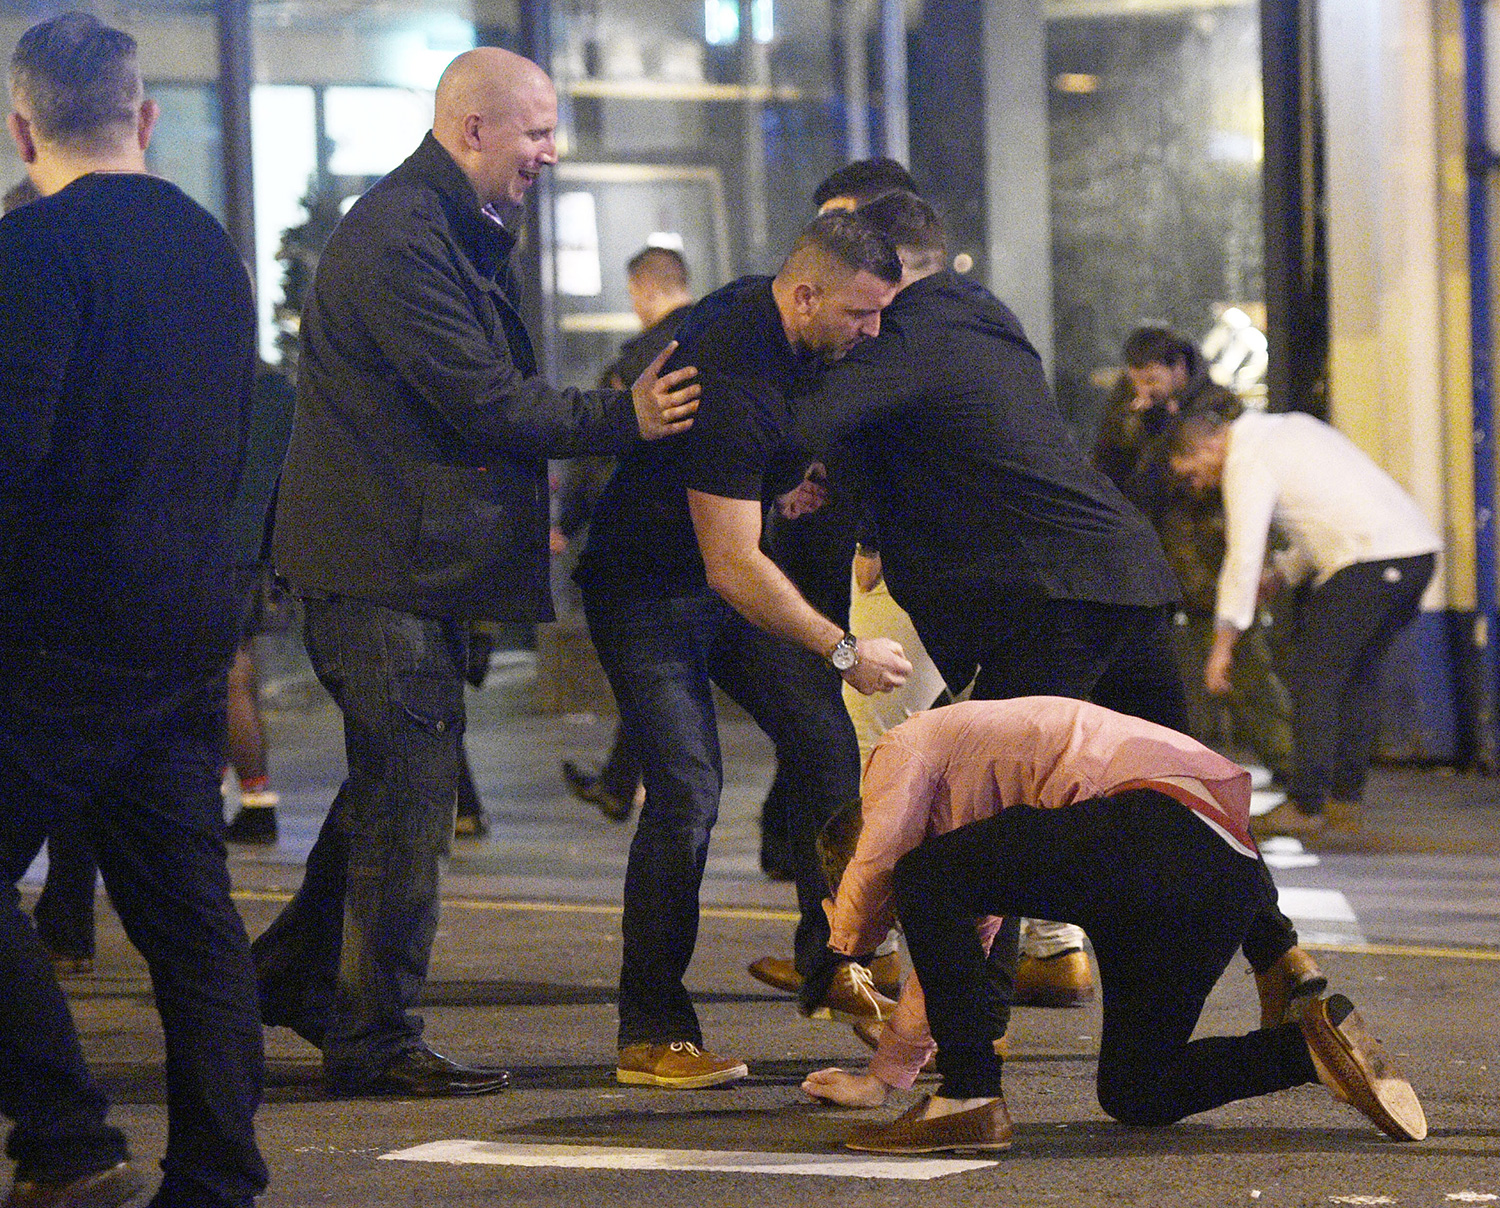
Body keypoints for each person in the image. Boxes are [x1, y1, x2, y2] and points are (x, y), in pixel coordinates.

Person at [253, 46, 700, 1100]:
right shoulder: (405, 239)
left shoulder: (446, 226)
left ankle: (290, 973)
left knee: (388, 789)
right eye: (537, 132)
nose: (550, 153)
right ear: (473, 129)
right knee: (407, 802)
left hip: (406, 565)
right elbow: (484, 399)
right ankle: (374, 1037)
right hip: (381, 569)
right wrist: (620, 416)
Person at [790, 192, 1207, 1035]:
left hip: (1048, 601)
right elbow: (939, 435)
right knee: (1181, 801)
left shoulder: (907, 330)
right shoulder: (986, 316)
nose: (860, 319)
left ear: (895, 272)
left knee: (976, 823)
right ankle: (1281, 967)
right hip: (1125, 579)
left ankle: (965, 1047)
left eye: (866, 292)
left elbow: (806, 418)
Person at [0, 13, 271, 1206]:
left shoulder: (32, 252)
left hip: (56, 631)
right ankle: (217, 1168)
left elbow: (13, 453)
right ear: (143, 113)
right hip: (185, 624)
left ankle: (65, 1136)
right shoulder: (212, 249)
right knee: (188, 911)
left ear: (22, 127)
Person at [575, 210, 912, 1089]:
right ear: (804, 295)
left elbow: (741, 505)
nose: (874, 331)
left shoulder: (782, 325)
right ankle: (651, 1031)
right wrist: (845, 650)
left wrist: (773, 488)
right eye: (861, 314)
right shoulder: (736, 371)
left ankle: (830, 962)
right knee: (687, 792)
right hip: (647, 588)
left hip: (711, 576)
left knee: (826, 747)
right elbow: (731, 566)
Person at [801, 698, 1425, 1156]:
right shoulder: (973, 853)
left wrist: (842, 945)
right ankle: (1307, 1049)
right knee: (1136, 1091)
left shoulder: (902, 752)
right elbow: (952, 969)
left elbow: (883, 863)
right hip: (1225, 870)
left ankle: (966, 1099)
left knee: (919, 874)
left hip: (1158, 823)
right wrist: (887, 1077)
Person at [1168, 408, 1441, 843]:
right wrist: (1283, 576)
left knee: (1313, 674)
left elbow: (1244, 555)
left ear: (1208, 445)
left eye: (1191, 470)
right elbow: (1325, 515)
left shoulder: (1246, 457)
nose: (1195, 482)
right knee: (1355, 677)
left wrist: (1223, 645)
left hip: (1372, 560)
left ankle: (1307, 803)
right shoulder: (1290, 428)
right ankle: (1343, 801)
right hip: (1414, 556)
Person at [1094, 328, 1295, 788]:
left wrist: (1160, 431)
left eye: (1152, 377)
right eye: (1135, 376)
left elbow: (1196, 483)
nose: (1143, 387)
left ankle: (1288, 762)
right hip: (1148, 558)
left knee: (1240, 662)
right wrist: (1133, 425)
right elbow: (1106, 469)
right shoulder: (1125, 410)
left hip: (1207, 558)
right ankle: (1167, 761)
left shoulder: (1217, 407)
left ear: (1179, 369)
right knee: (1160, 666)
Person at [560, 246, 694, 823]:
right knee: (670, 668)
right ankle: (620, 780)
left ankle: (636, 787)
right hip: (718, 529)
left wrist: (568, 522)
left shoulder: (640, 359)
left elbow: (603, 455)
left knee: (659, 669)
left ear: (642, 291)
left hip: (648, 538)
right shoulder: (719, 343)